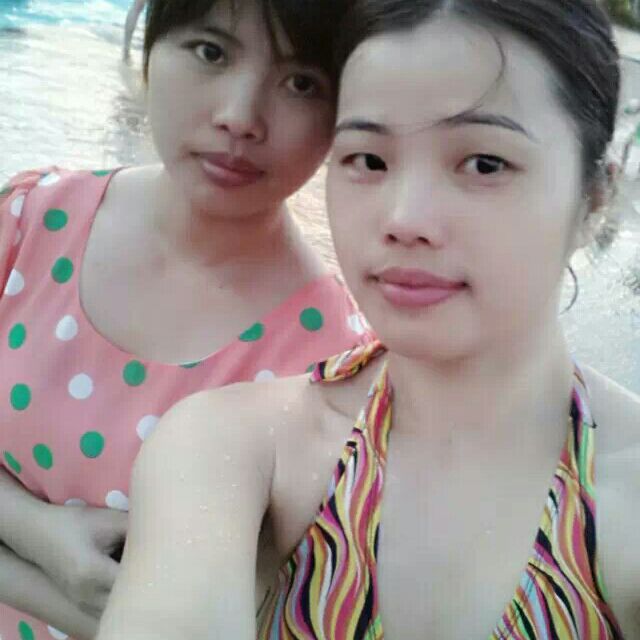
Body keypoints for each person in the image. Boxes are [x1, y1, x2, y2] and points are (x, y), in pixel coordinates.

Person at [97, 0, 640, 637]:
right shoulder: (240, 448)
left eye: (484, 164)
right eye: (369, 160)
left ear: (595, 196)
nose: (404, 219)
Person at [0, 0, 372, 638]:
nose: (240, 117)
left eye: (301, 83)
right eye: (211, 51)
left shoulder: (332, 367)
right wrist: (36, 532)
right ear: (150, 44)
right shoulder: (28, 221)